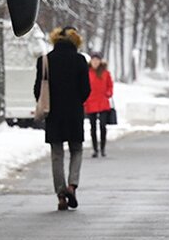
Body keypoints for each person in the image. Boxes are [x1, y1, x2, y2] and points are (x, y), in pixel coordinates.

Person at [35, 26, 91, 210]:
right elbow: (86, 90)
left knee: (57, 154)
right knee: (77, 150)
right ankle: (72, 185)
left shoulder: (45, 61)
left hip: (54, 114)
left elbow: (38, 89)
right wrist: (76, 101)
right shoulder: (80, 60)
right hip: (74, 113)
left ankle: (61, 195)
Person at [84, 51, 114, 158]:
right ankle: (95, 149)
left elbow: (110, 85)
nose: (95, 62)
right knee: (92, 127)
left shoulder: (105, 73)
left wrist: (108, 93)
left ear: (100, 61)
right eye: (93, 60)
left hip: (102, 102)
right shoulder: (87, 72)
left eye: (97, 60)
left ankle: (103, 148)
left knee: (102, 126)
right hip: (91, 102)